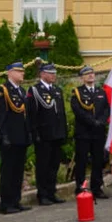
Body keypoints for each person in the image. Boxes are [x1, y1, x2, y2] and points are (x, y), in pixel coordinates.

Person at [0, 62, 31, 214]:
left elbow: (24, 115)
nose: (22, 74)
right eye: (18, 71)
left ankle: (16, 200)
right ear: (9, 73)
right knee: (8, 171)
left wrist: (28, 133)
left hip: (20, 136)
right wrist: (3, 135)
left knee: (18, 170)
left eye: (23, 71)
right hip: (9, 137)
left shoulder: (21, 90)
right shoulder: (3, 90)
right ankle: (6, 203)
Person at [27, 63, 67, 206]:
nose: (53, 75)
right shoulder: (35, 90)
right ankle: (42, 194)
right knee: (43, 166)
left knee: (54, 165)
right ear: (42, 74)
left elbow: (61, 114)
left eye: (54, 73)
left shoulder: (57, 90)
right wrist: (34, 134)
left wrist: (64, 132)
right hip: (43, 135)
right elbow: (32, 115)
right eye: (50, 73)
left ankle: (51, 192)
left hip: (56, 133)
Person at [70, 65, 110, 199]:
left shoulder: (100, 92)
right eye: (87, 74)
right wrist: (93, 122)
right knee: (81, 161)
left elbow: (106, 109)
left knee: (98, 161)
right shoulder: (77, 92)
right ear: (82, 78)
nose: (90, 76)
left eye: (92, 73)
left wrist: (102, 121)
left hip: (98, 132)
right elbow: (78, 111)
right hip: (84, 132)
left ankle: (96, 188)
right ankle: (80, 187)